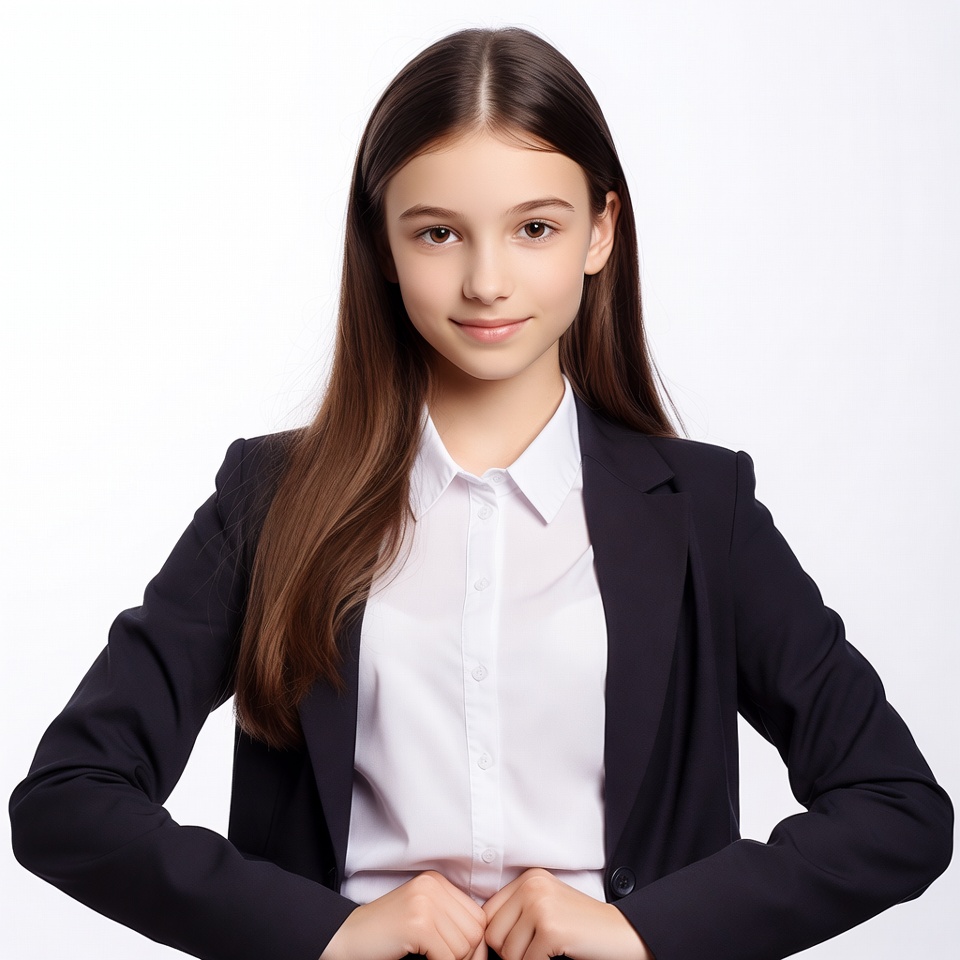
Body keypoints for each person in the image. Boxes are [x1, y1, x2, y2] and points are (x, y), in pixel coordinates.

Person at [9, 25, 952, 960]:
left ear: (601, 233)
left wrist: (644, 933)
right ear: (382, 243)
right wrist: (326, 933)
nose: (487, 281)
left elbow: (896, 809)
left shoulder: (706, 509)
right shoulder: (272, 498)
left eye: (535, 227)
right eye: (437, 233)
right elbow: (68, 799)